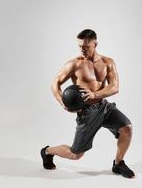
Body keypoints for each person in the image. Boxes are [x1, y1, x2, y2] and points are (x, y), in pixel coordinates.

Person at [41, 29, 135, 178]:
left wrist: (95, 94)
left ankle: (118, 164)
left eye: (86, 46)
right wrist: (62, 103)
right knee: (75, 154)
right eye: (80, 46)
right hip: (87, 112)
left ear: (95, 44)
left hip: (104, 106)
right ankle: (47, 151)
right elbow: (55, 84)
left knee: (127, 128)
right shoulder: (74, 64)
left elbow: (115, 87)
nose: (82, 49)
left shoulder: (107, 62)